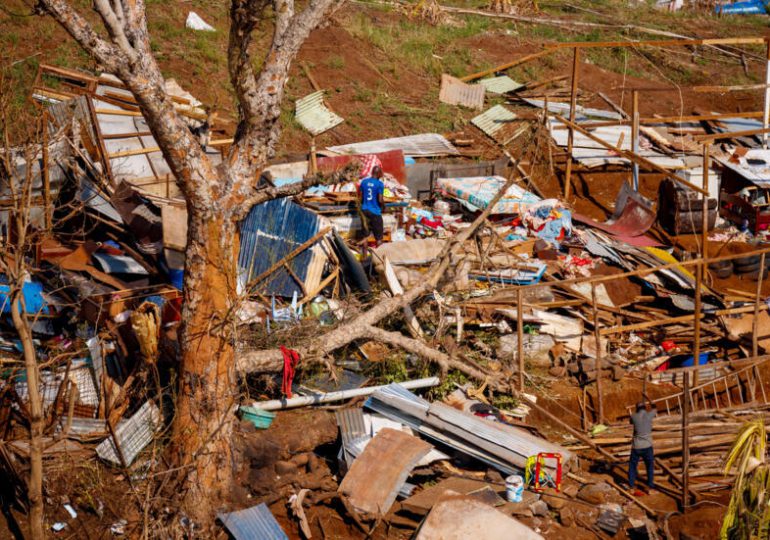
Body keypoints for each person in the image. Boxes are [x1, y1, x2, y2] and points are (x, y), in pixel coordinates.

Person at [629, 399, 657, 496]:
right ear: (645, 407)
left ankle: (631, 486)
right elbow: (655, 409)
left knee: (632, 466)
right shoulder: (649, 415)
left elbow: (631, 422)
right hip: (648, 446)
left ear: (637, 408)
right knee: (649, 466)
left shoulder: (633, 416)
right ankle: (650, 486)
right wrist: (652, 403)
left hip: (636, 446)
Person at [358, 166, 385, 247]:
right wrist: (384, 206)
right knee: (379, 238)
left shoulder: (364, 182)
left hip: (364, 211)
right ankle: (379, 258)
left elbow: (361, 197)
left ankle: (364, 257)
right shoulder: (379, 184)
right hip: (375, 212)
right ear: (379, 173)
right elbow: (380, 200)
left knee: (365, 237)